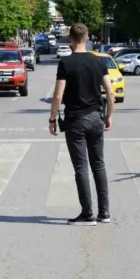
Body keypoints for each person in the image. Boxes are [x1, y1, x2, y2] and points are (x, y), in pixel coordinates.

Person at [49, 23, 114, 226]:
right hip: (96, 117)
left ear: (70, 40)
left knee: (81, 167)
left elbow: (58, 94)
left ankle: (87, 215)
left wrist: (52, 118)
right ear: (87, 39)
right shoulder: (98, 61)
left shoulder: (66, 63)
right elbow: (110, 93)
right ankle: (104, 213)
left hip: (75, 120)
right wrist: (109, 116)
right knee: (99, 165)